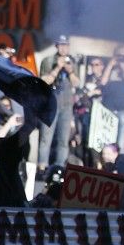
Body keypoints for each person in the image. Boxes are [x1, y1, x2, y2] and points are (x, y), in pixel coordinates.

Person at [37, 35, 80, 175]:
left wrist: (70, 71)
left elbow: (77, 83)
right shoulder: (48, 60)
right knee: (46, 137)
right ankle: (42, 168)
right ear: (56, 46)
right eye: (61, 45)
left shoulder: (73, 62)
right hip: (50, 104)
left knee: (63, 139)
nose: (64, 48)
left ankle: (60, 168)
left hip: (66, 106)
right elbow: (44, 82)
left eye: (66, 45)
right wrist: (57, 68)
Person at [100, 46, 124, 151]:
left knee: (121, 142)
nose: (122, 58)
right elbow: (103, 82)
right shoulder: (109, 67)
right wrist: (111, 64)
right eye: (119, 56)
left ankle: (120, 164)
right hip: (108, 109)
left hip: (123, 108)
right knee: (107, 141)